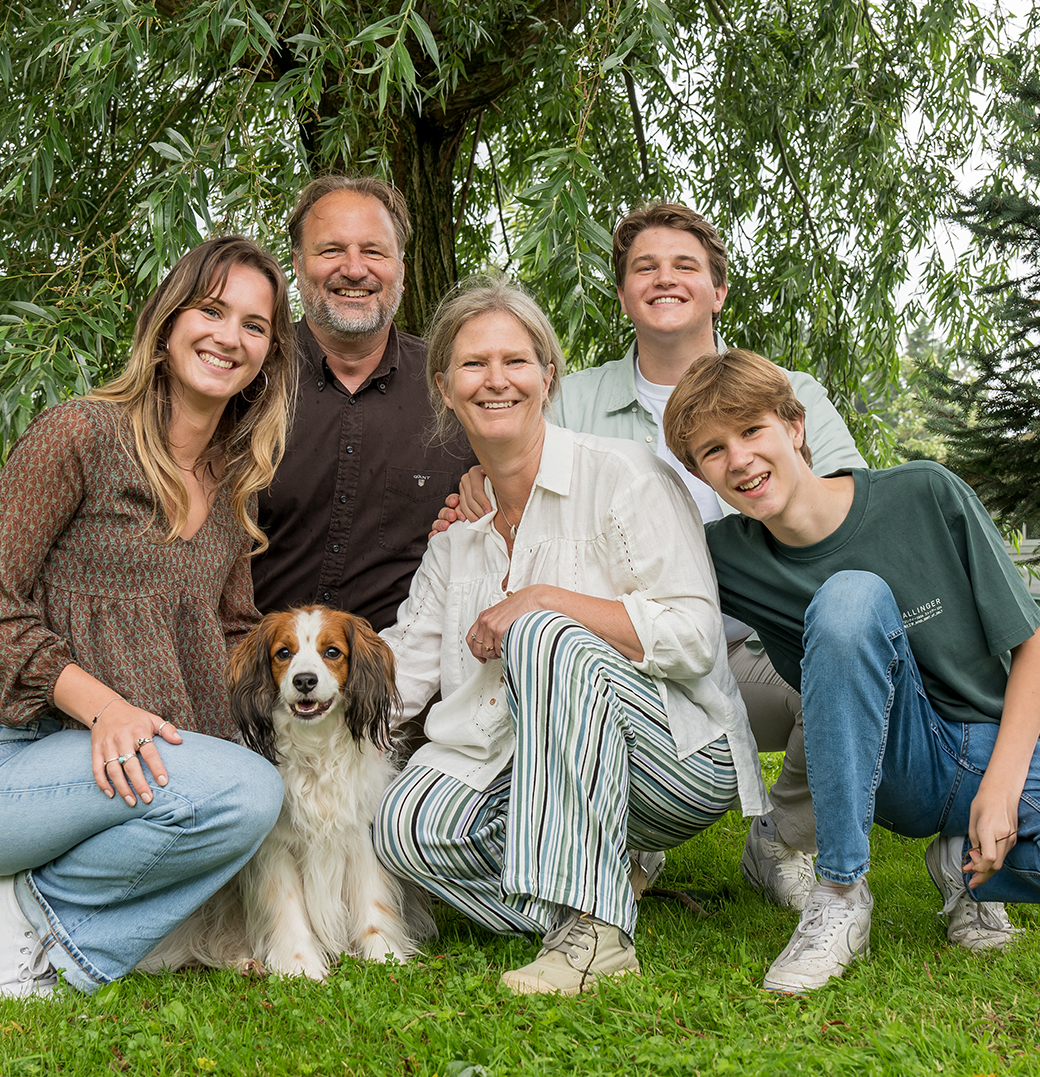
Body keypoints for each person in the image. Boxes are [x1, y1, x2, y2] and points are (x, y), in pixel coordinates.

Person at [662, 349, 1040, 994]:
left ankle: (966, 864)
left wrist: (1001, 791)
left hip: (988, 743)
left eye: (752, 430)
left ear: (795, 425)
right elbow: (614, 562)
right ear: (701, 473)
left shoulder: (925, 494)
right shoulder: (728, 557)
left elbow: (1036, 646)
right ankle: (840, 894)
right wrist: (494, 490)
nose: (738, 459)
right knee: (852, 598)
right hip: (892, 757)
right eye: (712, 450)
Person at [439, 202, 864, 914]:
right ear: (623, 291)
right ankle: (620, 839)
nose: (664, 280)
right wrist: (475, 487)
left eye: (685, 266)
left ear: (718, 290)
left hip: (751, 646)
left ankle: (782, 839)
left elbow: (844, 510)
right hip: (619, 649)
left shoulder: (789, 394)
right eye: (645, 267)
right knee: (555, 662)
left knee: (841, 669)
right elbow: (508, 476)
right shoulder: (571, 398)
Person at [373, 275, 766, 996]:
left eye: (516, 361)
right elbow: (402, 675)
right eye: (473, 364)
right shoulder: (456, 539)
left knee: (543, 632)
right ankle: (601, 886)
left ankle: (596, 930)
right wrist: (298, 734)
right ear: (445, 387)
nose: (497, 380)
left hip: (671, 757)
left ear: (547, 376)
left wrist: (544, 599)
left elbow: (694, 639)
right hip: (522, 769)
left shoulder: (625, 477)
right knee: (402, 825)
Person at [0, 236, 295, 998]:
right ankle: (29, 915)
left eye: (255, 326)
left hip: (133, 770)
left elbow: (231, 642)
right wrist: (106, 709)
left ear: (269, 355)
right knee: (243, 793)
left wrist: (309, 693)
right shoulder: (78, 435)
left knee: (255, 791)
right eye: (211, 309)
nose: (230, 336)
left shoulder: (233, 490)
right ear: (167, 323)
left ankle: (29, 917)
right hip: (3, 762)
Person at [253, 175, 476, 632]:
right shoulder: (248, 380)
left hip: (398, 685)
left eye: (373, 252)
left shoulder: (457, 393)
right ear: (297, 263)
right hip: (248, 677)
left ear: (401, 269)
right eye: (331, 250)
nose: (354, 270)